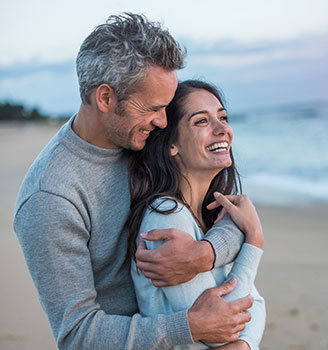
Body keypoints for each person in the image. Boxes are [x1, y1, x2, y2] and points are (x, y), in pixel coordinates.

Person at [14, 13, 253, 349]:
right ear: (106, 98)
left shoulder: (144, 138)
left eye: (168, 107)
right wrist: (189, 326)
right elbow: (77, 335)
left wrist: (207, 253)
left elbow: (225, 210)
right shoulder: (51, 197)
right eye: (152, 107)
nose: (163, 120)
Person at [127, 80, 266, 350]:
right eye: (201, 121)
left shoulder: (204, 216)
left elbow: (257, 303)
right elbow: (224, 325)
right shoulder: (167, 216)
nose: (222, 129)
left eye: (223, 117)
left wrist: (245, 345)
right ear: (171, 145)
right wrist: (254, 241)